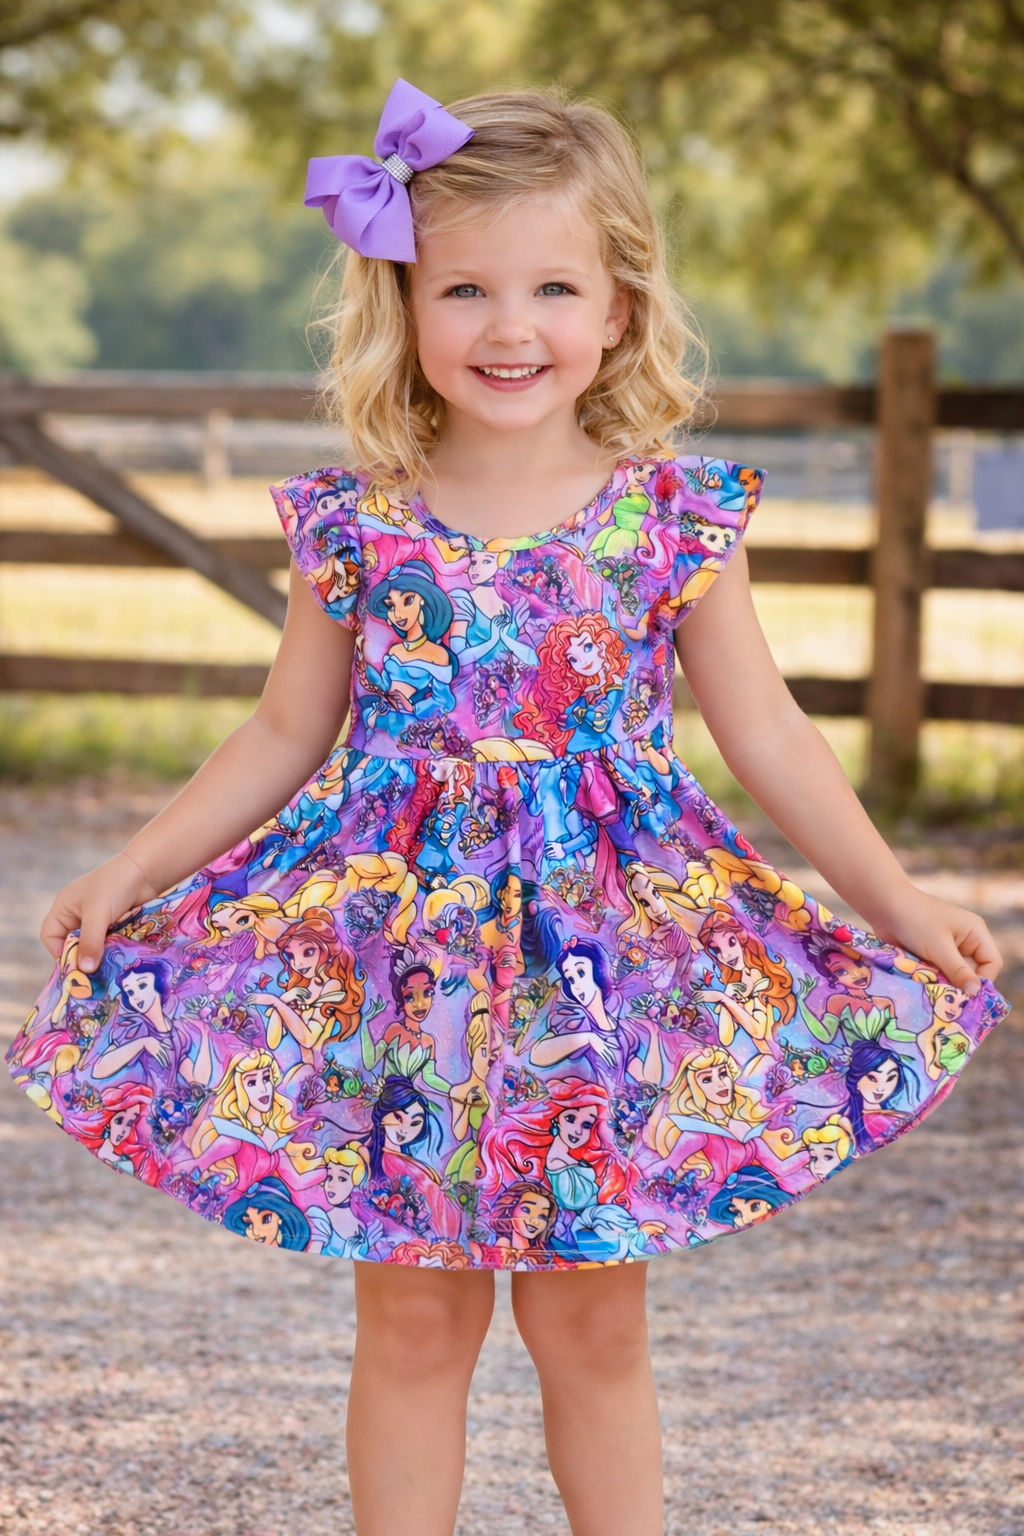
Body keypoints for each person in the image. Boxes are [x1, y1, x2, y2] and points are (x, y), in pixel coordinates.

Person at [7, 79, 1008, 1536]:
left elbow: (770, 731)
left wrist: (900, 903)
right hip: (400, 970)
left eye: (552, 287)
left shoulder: (671, 518)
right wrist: (129, 868)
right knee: (415, 1320)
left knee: (589, 1322)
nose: (509, 326)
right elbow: (284, 729)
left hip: (599, 972)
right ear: (405, 304)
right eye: (465, 288)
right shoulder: (359, 521)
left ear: (618, 308)